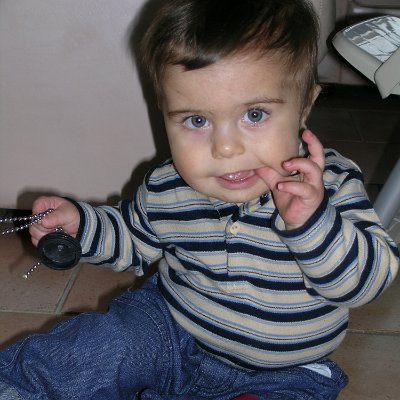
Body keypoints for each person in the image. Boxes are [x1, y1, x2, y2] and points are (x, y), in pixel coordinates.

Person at [0, 0, 399, 399]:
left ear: (304, 104)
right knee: (99, 346)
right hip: (171, 335)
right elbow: (132, 236)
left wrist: (314, 225)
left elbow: (368, 283)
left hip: (286, 372)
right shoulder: (168, 184)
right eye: (197, 120)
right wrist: (82, 226)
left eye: (255, 115)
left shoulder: (329, 185)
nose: (225, 147)